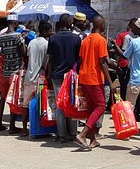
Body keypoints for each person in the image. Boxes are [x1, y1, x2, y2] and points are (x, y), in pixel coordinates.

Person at [75, 16, 116, 150]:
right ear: (102, 25)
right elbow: (103, 62)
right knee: (101, 106)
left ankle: (92, 140)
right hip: (94, 78)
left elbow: (80, 60)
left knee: (92, 108)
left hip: (84, 77)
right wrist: (110, 82)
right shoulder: (101, 40)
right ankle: (83, 134)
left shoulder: (85, 40)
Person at [46, 13, 81, 143]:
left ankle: (61, 135)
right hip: (72, 76)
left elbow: (51, 58)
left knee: (60, 104)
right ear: (70, 23)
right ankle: (72, 133)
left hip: (57, 76)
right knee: (73, 103)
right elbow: (79, 59)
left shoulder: (53, 38)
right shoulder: (76, 38)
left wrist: (49, 74)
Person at [21, 21, 52, 137]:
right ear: (45, 31)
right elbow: (47, 62)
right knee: (41, 105)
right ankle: (39, 128)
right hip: (40, 77)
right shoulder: (47, 44)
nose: (51, 32)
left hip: (29, 77)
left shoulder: (32, 42)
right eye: (49, 30)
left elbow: (28, 57)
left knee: (25, 105)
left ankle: (24, 129)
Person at [0, 14, 25, 133]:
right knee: (12, 98)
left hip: (5, 72)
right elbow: (23, 52)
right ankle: (12, 126)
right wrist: (23, 39)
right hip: (15, 71)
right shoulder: (18, 36)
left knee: (3, 97)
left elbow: (2, 52)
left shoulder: (1, 37)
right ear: (14, 23)